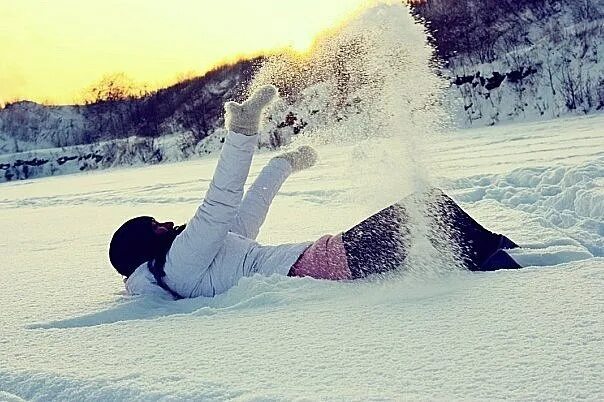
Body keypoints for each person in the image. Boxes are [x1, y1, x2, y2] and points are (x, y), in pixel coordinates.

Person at [109, 85, 521, 300]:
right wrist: (242, 133)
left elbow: (243, 215)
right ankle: (502, 266)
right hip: (316, 267)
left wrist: (281, 166)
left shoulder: (193, 263)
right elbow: (219, 203)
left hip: (317, 261)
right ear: (144, 244)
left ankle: (496, 254)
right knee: (425, 211)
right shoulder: (179, 264)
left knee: (428, 216)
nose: (166, 223)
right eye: (155, 225)